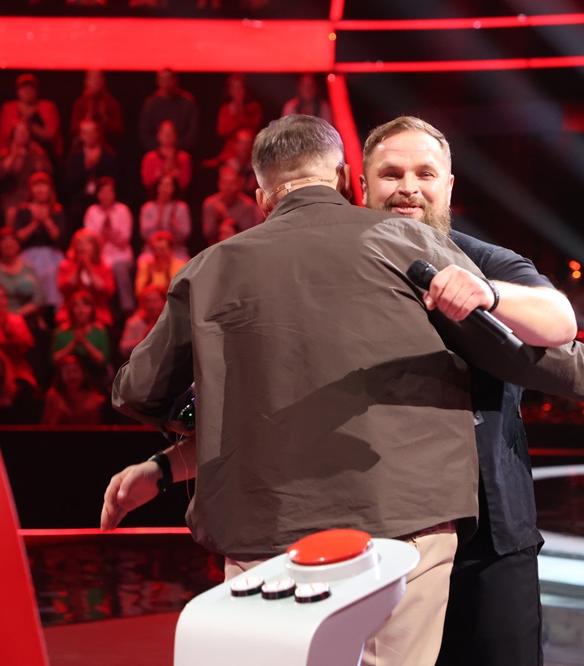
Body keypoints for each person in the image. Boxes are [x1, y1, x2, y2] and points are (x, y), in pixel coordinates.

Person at [102, 115, 503, 666]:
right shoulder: (410, 241)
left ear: (261, 197)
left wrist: (190, 421)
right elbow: (534, 350)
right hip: (404, 525)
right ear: (343, 177)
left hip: (264, 527)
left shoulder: (210, 267)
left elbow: (137, 391)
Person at [359, 115, 584, 666]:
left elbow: (555, 328)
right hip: (379, 530)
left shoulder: (487, 261)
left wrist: (487, 293)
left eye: (424, 173)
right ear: (361, 184)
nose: (408, 187)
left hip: (491, 535)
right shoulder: (342, 272)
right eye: (391, 174)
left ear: (448, 185)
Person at [12, 171, 67, 309]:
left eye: (43, 185)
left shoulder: (57, 210)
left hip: (52, 255)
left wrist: (46, 220)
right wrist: (35, 223)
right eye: (36, 185)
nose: (40, 189)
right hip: (28, 255)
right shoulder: (23, 210)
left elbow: (59, 237)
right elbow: (18, 237)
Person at [83, 177, 135, 314]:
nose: (106, 195)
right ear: (98, 194)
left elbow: (125, 239)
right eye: (102, 191)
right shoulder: (92, 212)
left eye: (109, 191)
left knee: (119, 267)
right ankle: (97, 311)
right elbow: (90, 241)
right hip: (99, 256)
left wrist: (110, 231)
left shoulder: (123, 210)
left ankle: (127, 309)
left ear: (114, 193)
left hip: (120, 254)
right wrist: (103, 231)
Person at [0, 228, 44, 319]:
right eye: (4, 240)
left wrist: (17, 315)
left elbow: (39, 298)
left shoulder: (29, 269)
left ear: (18, 245)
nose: (8, 244)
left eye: (12, 240)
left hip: (24, 317)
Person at [0, 120, 53, 226]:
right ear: (13, 134)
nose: (22, 134)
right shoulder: (4, 153)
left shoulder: (36, 153)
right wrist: (14, 154)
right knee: (11, 213)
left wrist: (38, 158)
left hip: (32, 196)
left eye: (25, 131)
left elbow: (47, 172)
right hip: (12, 196)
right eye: (19, 131)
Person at [65, 118, 119, 233]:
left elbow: (114, 180)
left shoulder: (109, 156)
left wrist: (97, 168)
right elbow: (70, 184)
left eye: (92, 132)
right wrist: (86, 169)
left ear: (98, 133)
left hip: (103, 201)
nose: (89, 136)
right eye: (85, 133)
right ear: (80, 135)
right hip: (80, 202)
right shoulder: (75, 157)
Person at [51, 289, 112, 389]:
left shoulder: (100, 331)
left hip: (95, 378)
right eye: (76, 305)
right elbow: (55, 360)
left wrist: (84, 342)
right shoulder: (61, 332)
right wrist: (74, 343)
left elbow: (102, 360)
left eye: (85, 305)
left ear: (92, 309)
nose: (81, 309)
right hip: (66, 380)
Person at [56, 228, 116, 327]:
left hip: (98, 314)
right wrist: (79, 270)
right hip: (69, 314)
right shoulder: (65, 266)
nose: (83, 246)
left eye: (87, 243)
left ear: (95, 247)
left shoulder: (104, 267)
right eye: (79, 243)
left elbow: (108, 291)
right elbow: (64, 287)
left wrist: (89, 269)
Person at [0, 73, 63, 161]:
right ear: (17, 91)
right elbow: (5, 136)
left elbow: (51, 135)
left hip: (44, 156)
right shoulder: (8, 108)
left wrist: (29, 125)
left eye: (31, 87)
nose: (27, 90)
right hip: (15, 155)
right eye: (23, 87)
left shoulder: (48, 107)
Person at [137, 69, 199, 154]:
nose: (166, 83)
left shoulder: (188, 103)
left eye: (168, 79)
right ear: (158, 81)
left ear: (175, 80)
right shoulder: (151, 104)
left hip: (182, 152)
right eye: (162, 79)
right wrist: (160, 150)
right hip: (156, 153)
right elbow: (144, 132)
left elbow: (193, 131)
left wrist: (176, 149)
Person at [200, 164, 263, 245]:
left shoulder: (248, 206)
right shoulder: (210, 204)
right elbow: (208, 234)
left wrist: (225, 215)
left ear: (239, 184)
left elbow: (247, 235)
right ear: (219, 183)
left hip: (240, 247)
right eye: (225, 182)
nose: (228, 187)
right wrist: (216, 218)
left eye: (232, 183)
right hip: (214, 247)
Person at [42, 353, 107, 426]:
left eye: (75, 371)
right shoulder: (53, 398)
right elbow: (45, 425)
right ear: (61, 375)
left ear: (83, 374)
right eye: (68, 371)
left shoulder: (95, 400)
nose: (72, 376)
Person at [138, 174, 191, 260]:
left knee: (182, 263)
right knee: (143, 261)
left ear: (174, 188)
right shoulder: (147, 208)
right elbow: (144, 234)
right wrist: (156, 222)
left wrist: (176, 227)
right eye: (162, 185)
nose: (164, 188)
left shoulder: (181, 208)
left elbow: (185, 235)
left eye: (168, 185)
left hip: (176, 250)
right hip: (152, 250)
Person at [69, 69, 124, 147]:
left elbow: (119, 129)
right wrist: (86, 120)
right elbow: (73, 129)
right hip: (84, 147)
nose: (95, 82)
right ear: (86, 82)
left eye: (98, 78)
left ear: (103, 81)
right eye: (92, 79)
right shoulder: (79, 103)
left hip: (106, 146)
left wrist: (105, 120)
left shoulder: (112, 103)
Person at [140, 120, 192, 193]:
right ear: (158, 135)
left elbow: (185, 182)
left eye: (170, 133)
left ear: (176, 135)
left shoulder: (184, 158)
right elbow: (147, 182)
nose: (167, 136)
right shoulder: (150, 157)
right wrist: (161, 174)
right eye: (164, 133)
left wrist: (175, 173)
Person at [119, 285, 166, 359]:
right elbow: (123, 349)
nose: (152, 305)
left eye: (155, 301)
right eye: (148, 301)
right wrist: (142, 340)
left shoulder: (169, 322)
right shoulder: (134, 323)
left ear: (164, 302)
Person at [133, 230, 185, 298]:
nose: (159, 253)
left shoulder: (180, 265)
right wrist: (148, 282)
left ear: (171, 249)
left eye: (162, 249)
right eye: (155, 249)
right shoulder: (146, 266)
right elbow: (139, 292)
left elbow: (181, 292)